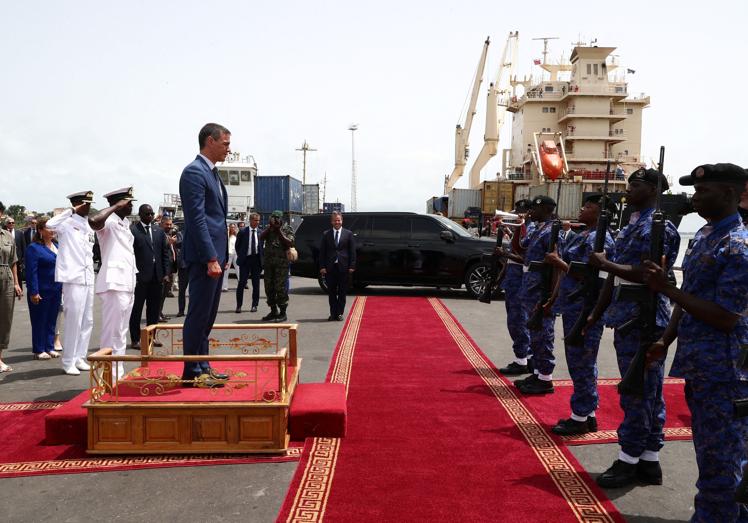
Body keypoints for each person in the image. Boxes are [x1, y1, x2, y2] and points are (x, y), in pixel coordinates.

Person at [643, 163, 748, 522]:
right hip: (702, 365)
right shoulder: (705, 235)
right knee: (709, 454)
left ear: (732, 194)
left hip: (727, 372)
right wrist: (665, 339)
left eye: (705, 191)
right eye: (695, 190)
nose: (695, 196)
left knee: (722, 460)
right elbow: (689, 296)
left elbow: (725, 315)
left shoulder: (739, 246)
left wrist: (667, 289)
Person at [587, 168, 680, 488]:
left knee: (638, 390)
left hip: (645, 318)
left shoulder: (660, 227)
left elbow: (648, 274)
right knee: (647, 390)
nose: (628, 190)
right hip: (627, 314)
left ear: (655, 189)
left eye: (636, 185)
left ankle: (629, 459)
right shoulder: (634, 223)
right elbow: (615, 275)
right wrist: (597, 311)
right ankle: (649, 461)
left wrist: (605, 264)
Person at [544, 195, 616, 435]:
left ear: (601, 214)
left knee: (581, 363)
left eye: (589, 207)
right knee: (581, 362)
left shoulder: (599, 238)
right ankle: (589, 413)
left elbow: (590, 276)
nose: (582, 209)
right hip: (573, 305)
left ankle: (580, 416)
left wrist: (559, 262)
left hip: (584, 307)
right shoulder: (585, 235)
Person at [179, 123, 231, 387]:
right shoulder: (194, 172)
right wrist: (211, 257)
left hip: (216, 257)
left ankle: (203, 365)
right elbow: (197, 220)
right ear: (210, 141)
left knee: (208, 315)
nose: (228, 149)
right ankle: (191, 371)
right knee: (198, 313)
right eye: (225, 144)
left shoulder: (212, 173)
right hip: (204, 257)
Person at [45, 191, 97, 375]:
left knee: (87, 320)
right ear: (78, 204)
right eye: (86, 204)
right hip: (73, 277)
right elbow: (49, 224)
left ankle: (79, 357)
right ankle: (68, 361)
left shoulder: (88, 225)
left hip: (87, 276)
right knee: (73, 319)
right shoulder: (65, 223)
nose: (89, 207)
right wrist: (70, 210)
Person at [514, 195, 560, 395]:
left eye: (535, 208)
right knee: (534, 334)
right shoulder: (539, 228)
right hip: (531, 289)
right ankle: (539, 373)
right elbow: (522, 247)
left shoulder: (552, 232)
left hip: (542, 291)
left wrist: (550, 297)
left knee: (544, 335)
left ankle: (546, 379)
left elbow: (558, 267)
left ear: (547, 210)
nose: (531, 211)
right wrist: (523, 225)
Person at [91, 188, 138, 380]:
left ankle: (117, 372)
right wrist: (114, 206)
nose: (132, 206)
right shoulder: (108, 222)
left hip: (127, 280)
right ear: (119, 203)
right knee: (112, 331)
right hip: (114, 282)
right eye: (129, 203)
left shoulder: (124, 223)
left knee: (121, 331)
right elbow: (93, 221)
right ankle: (107, 374)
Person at [498, 199, 533, 376]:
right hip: (513, 280)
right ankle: (525, 357)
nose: (518, 213)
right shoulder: (522, 227)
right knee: (515, 320)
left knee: (518, 321)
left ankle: (522, 359)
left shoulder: (529, 228)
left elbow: (523, 255)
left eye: (521, 210)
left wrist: (504, 253)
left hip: (520, 281)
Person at [129, 204, 171, 350]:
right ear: (140, 215)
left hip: (156, 277)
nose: (150, 216)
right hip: (140, 278)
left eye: (152, 213)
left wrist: (166, 273)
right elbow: (130, 255)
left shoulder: (159, 231)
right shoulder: (133, 231)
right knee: (137, 309)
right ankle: (135, 339)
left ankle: (151, 337)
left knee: (153, 310)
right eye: (147, 214)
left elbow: (165, 254)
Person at [25, 217, 63, 360]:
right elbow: (31, 272)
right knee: (39, 320)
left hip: (56, 289)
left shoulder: (57, 246)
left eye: (54, 228)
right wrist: (34, 291)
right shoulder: (33, 248)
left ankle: (49, 346)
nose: (52, 230)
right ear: (40, 230)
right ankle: (39, 349)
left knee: (52, 319)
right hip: (41, 290)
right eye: (49, 228)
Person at [319, 211, 356, 321]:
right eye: (335, 220)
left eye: (339, 220)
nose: (337, 222)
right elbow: (322, 252)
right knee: (331, 293)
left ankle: (339, 313)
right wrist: (322, 267)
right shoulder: (326, 234)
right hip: (330, 268)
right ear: (331, 221)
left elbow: (352, 251)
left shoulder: (348, 234)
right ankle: (333, 313)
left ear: (342, 221)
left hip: (343, 267)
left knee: (342, 292)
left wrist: (352, 265)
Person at [0, 202, 23, 372]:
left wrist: (16, 283)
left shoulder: (7, 236)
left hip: (6, 276)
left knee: (5, 318)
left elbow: (14, 261)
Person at [260, 210, 295, 322]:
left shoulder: (287, 228)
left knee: (280, 288)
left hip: (281, 264)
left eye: (277, 217)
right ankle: (273, 311)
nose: (275, 219)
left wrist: (279, 230)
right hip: (269, 263)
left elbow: (290, 242)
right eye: (273, 217)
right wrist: (270, 228)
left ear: (281, 218)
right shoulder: (269, 229)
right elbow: (261, 237)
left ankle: (283, 313)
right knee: (268, 287)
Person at [235, 213, 263, 313]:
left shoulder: (260, 232)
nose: (257, 222)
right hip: (245, 260)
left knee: (256, 284)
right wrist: (241, 256)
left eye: (258, 220)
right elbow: (237, 246)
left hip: (256, 261)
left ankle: (254, 305)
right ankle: (239, 306)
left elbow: (261, 247)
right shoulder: (243, 232)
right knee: (242, 282)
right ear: (251, 221)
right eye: (256, 220)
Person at [159, 215, 177, 321]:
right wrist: (168, 243)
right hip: (163, 270)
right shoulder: (160, 235)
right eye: (167, 224)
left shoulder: (169, 235)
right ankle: (157, 315)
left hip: (170, 269)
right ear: (162, 224)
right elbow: (159, 250)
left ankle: (160, 313)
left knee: (165, 294)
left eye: (170, 224)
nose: (169, 226)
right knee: (160, 295)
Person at [4, 216, 26, 290]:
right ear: (6, 224)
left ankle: (19, 290)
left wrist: (23, 259)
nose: (11, 224)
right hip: (6, 258)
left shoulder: (19, 233)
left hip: (18, 258)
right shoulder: (3, 233)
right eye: (9, 223)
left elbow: (23, 246)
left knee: (18, 275)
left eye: (13, 223)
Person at [222, 223, 239, 292]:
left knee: (238, 269)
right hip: (228, 254)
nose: (233, 228)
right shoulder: (227, 236)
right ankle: (224, 287)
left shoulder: (237, 236)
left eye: (234, 227)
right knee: (226, 271)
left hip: (235, 254)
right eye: (231, 227)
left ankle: (241, 285)